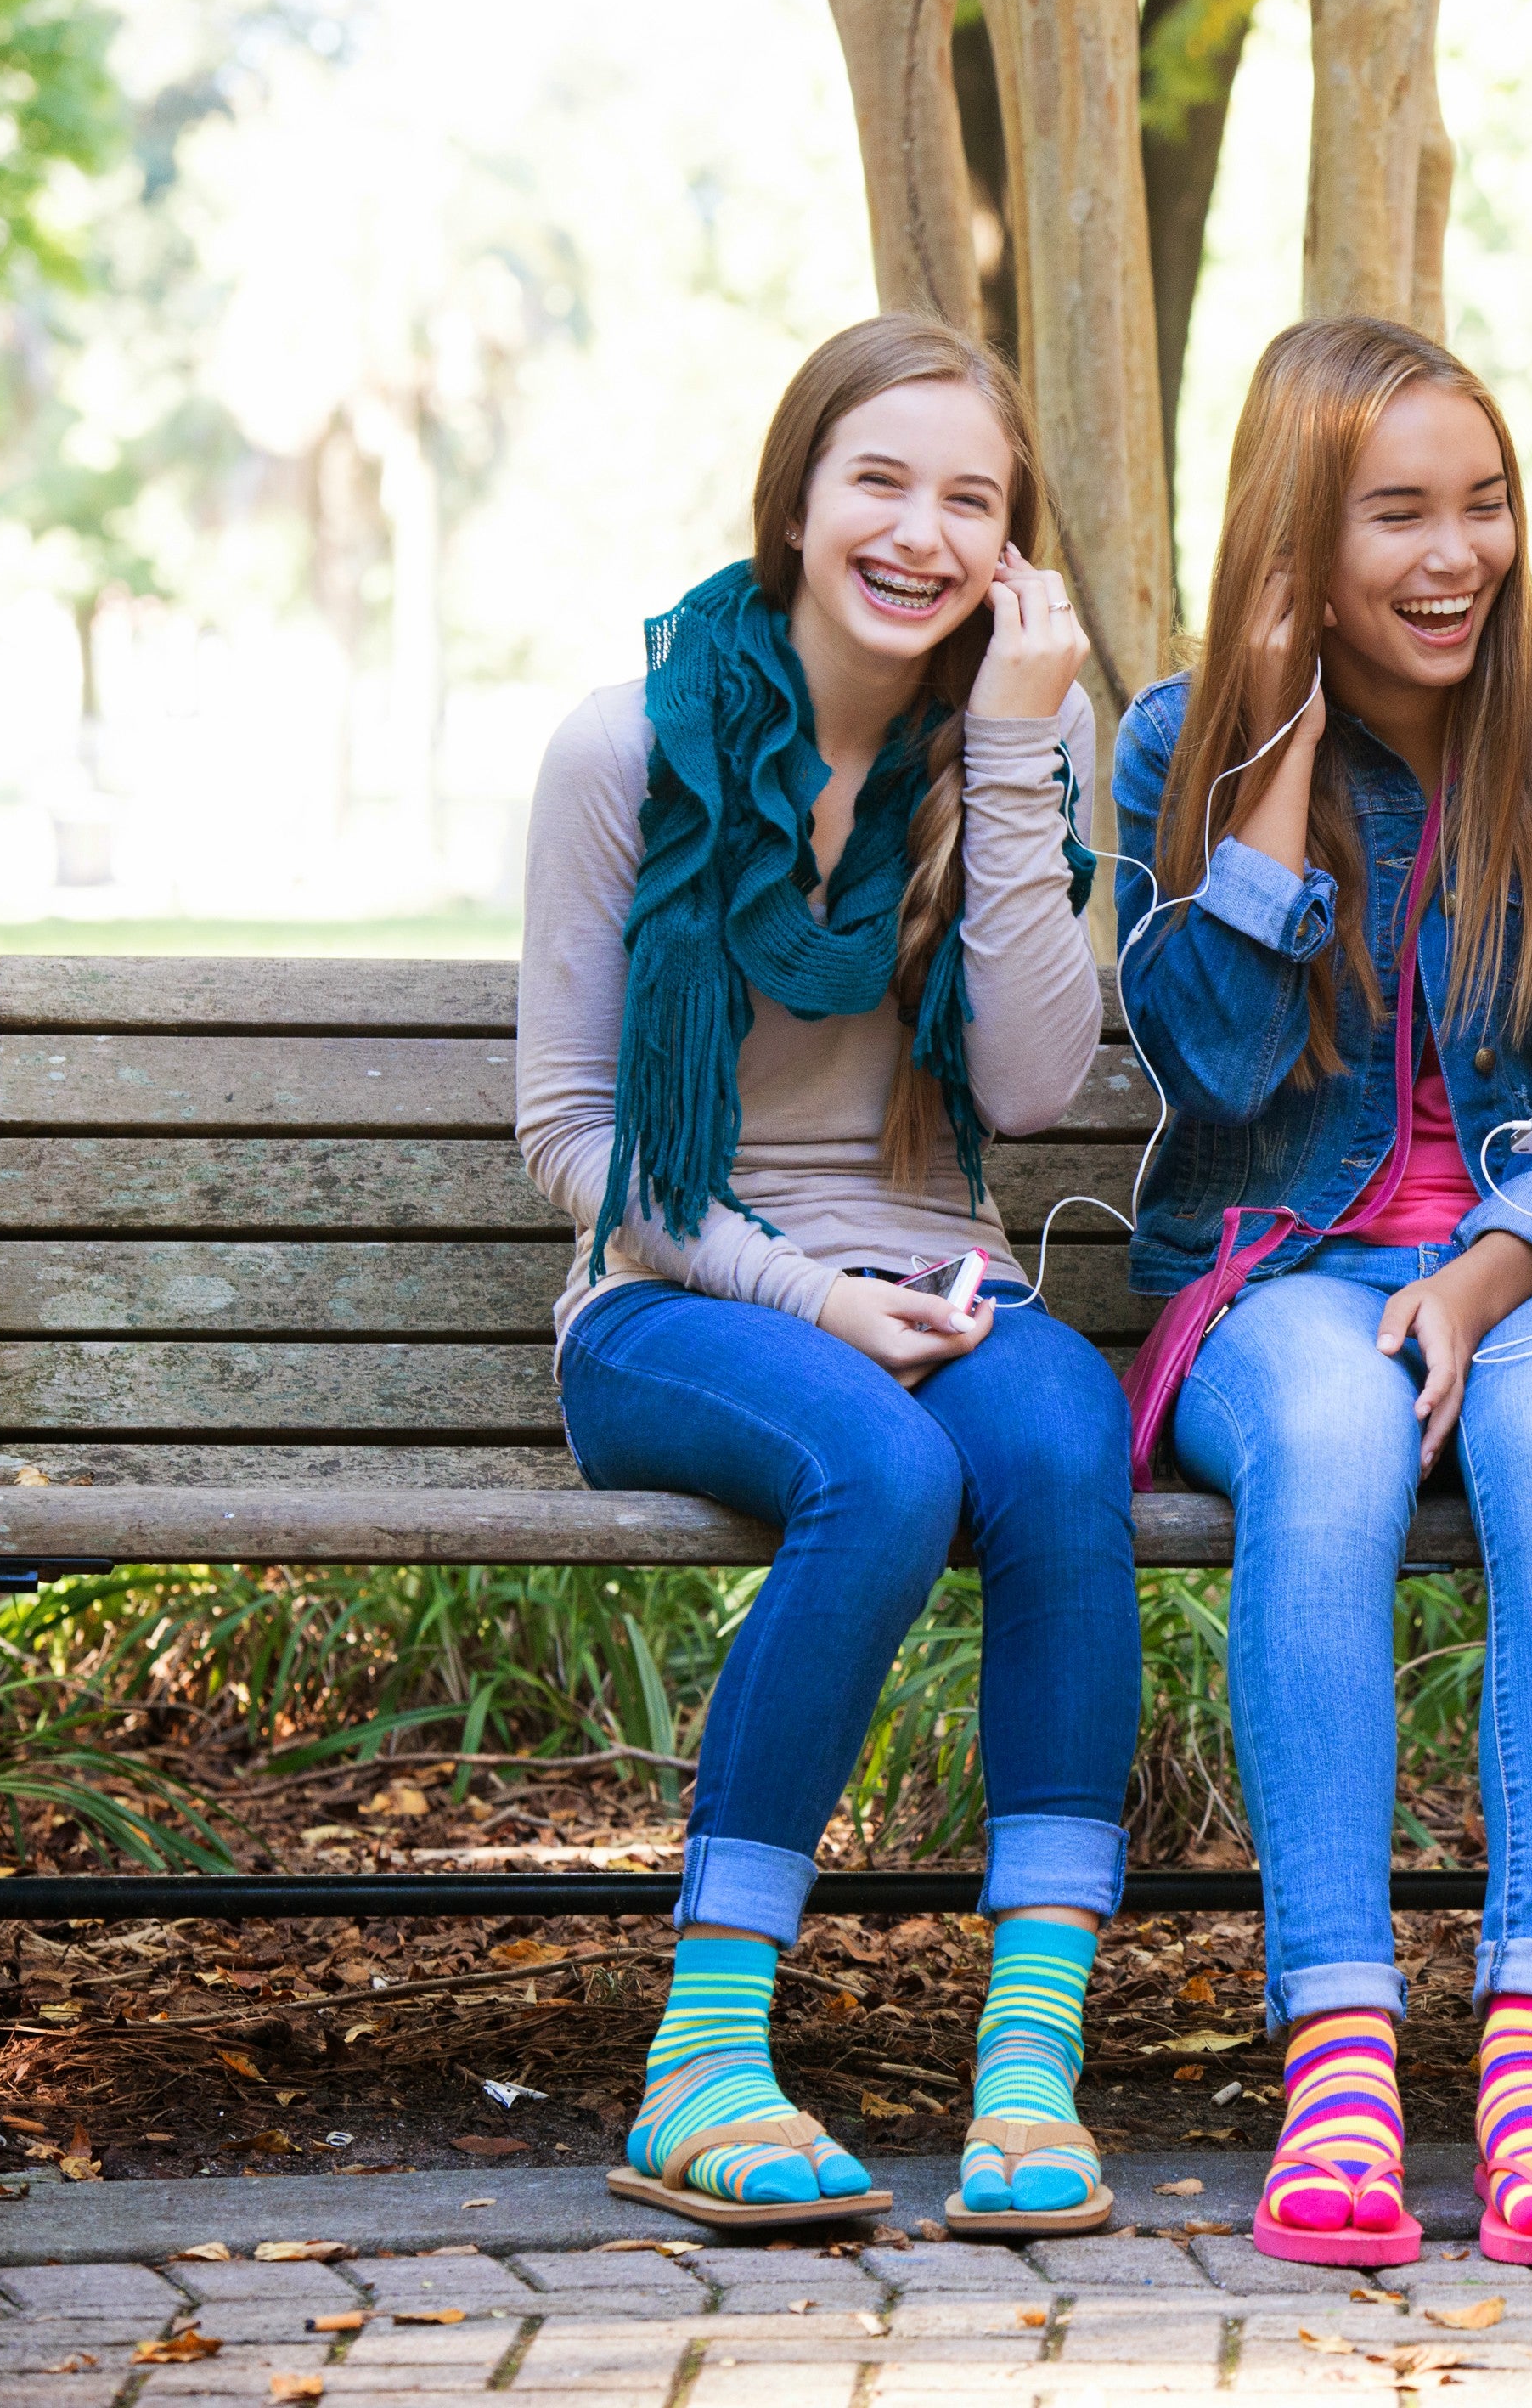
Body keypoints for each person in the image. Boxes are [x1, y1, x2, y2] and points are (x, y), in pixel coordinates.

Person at [515, 313, 1136, 2236]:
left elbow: (1030, 1089)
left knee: (1061, 1447)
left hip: (936, 1277)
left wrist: (1022, 752)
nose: (922, 532)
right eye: (880, 478)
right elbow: (570, 1134)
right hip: (669, 1295)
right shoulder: (628, 745)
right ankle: (698, 2061)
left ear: (1014, 545)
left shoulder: (1017, 741)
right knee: (885, 1464)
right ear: (793, 499)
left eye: (973, 499)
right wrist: (803, 1297)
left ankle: (1027, 2066)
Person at [1112, 315, 1532, 2270]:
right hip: (1274, 1268)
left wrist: (1489, 1269)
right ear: (1297, 543)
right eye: (1397, 517)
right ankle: (1342, 2045)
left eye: (1486, 503)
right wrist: (1269, 750)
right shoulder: (1173, 745)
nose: (1459, 556)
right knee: (1339, 1431)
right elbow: (1207, 1065)